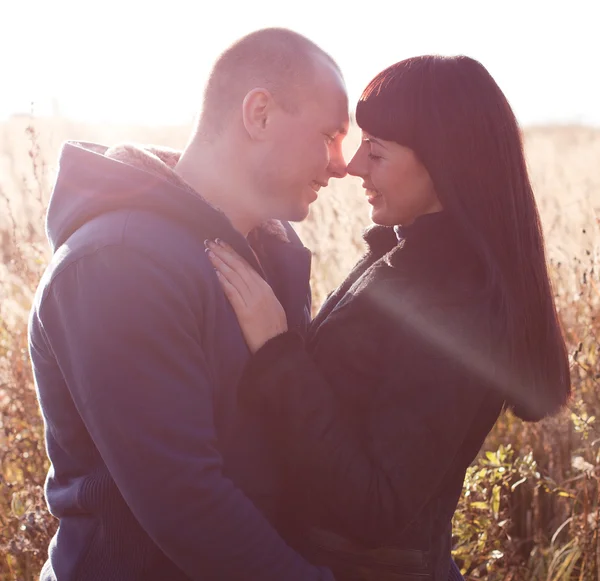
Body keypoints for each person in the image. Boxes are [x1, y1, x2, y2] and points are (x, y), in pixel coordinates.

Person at [206, 54, 572, 581]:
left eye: (375, 151)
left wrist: (278, 351)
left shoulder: (454, 305)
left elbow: (376, 507)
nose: (353, 166)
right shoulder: (411, 261)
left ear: (446, 163)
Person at [28, 28, 349, 581]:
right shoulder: (119, 262)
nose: (341, 165)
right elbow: (186, 504)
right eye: (329, 135)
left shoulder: (274, 249)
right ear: (260, 114)